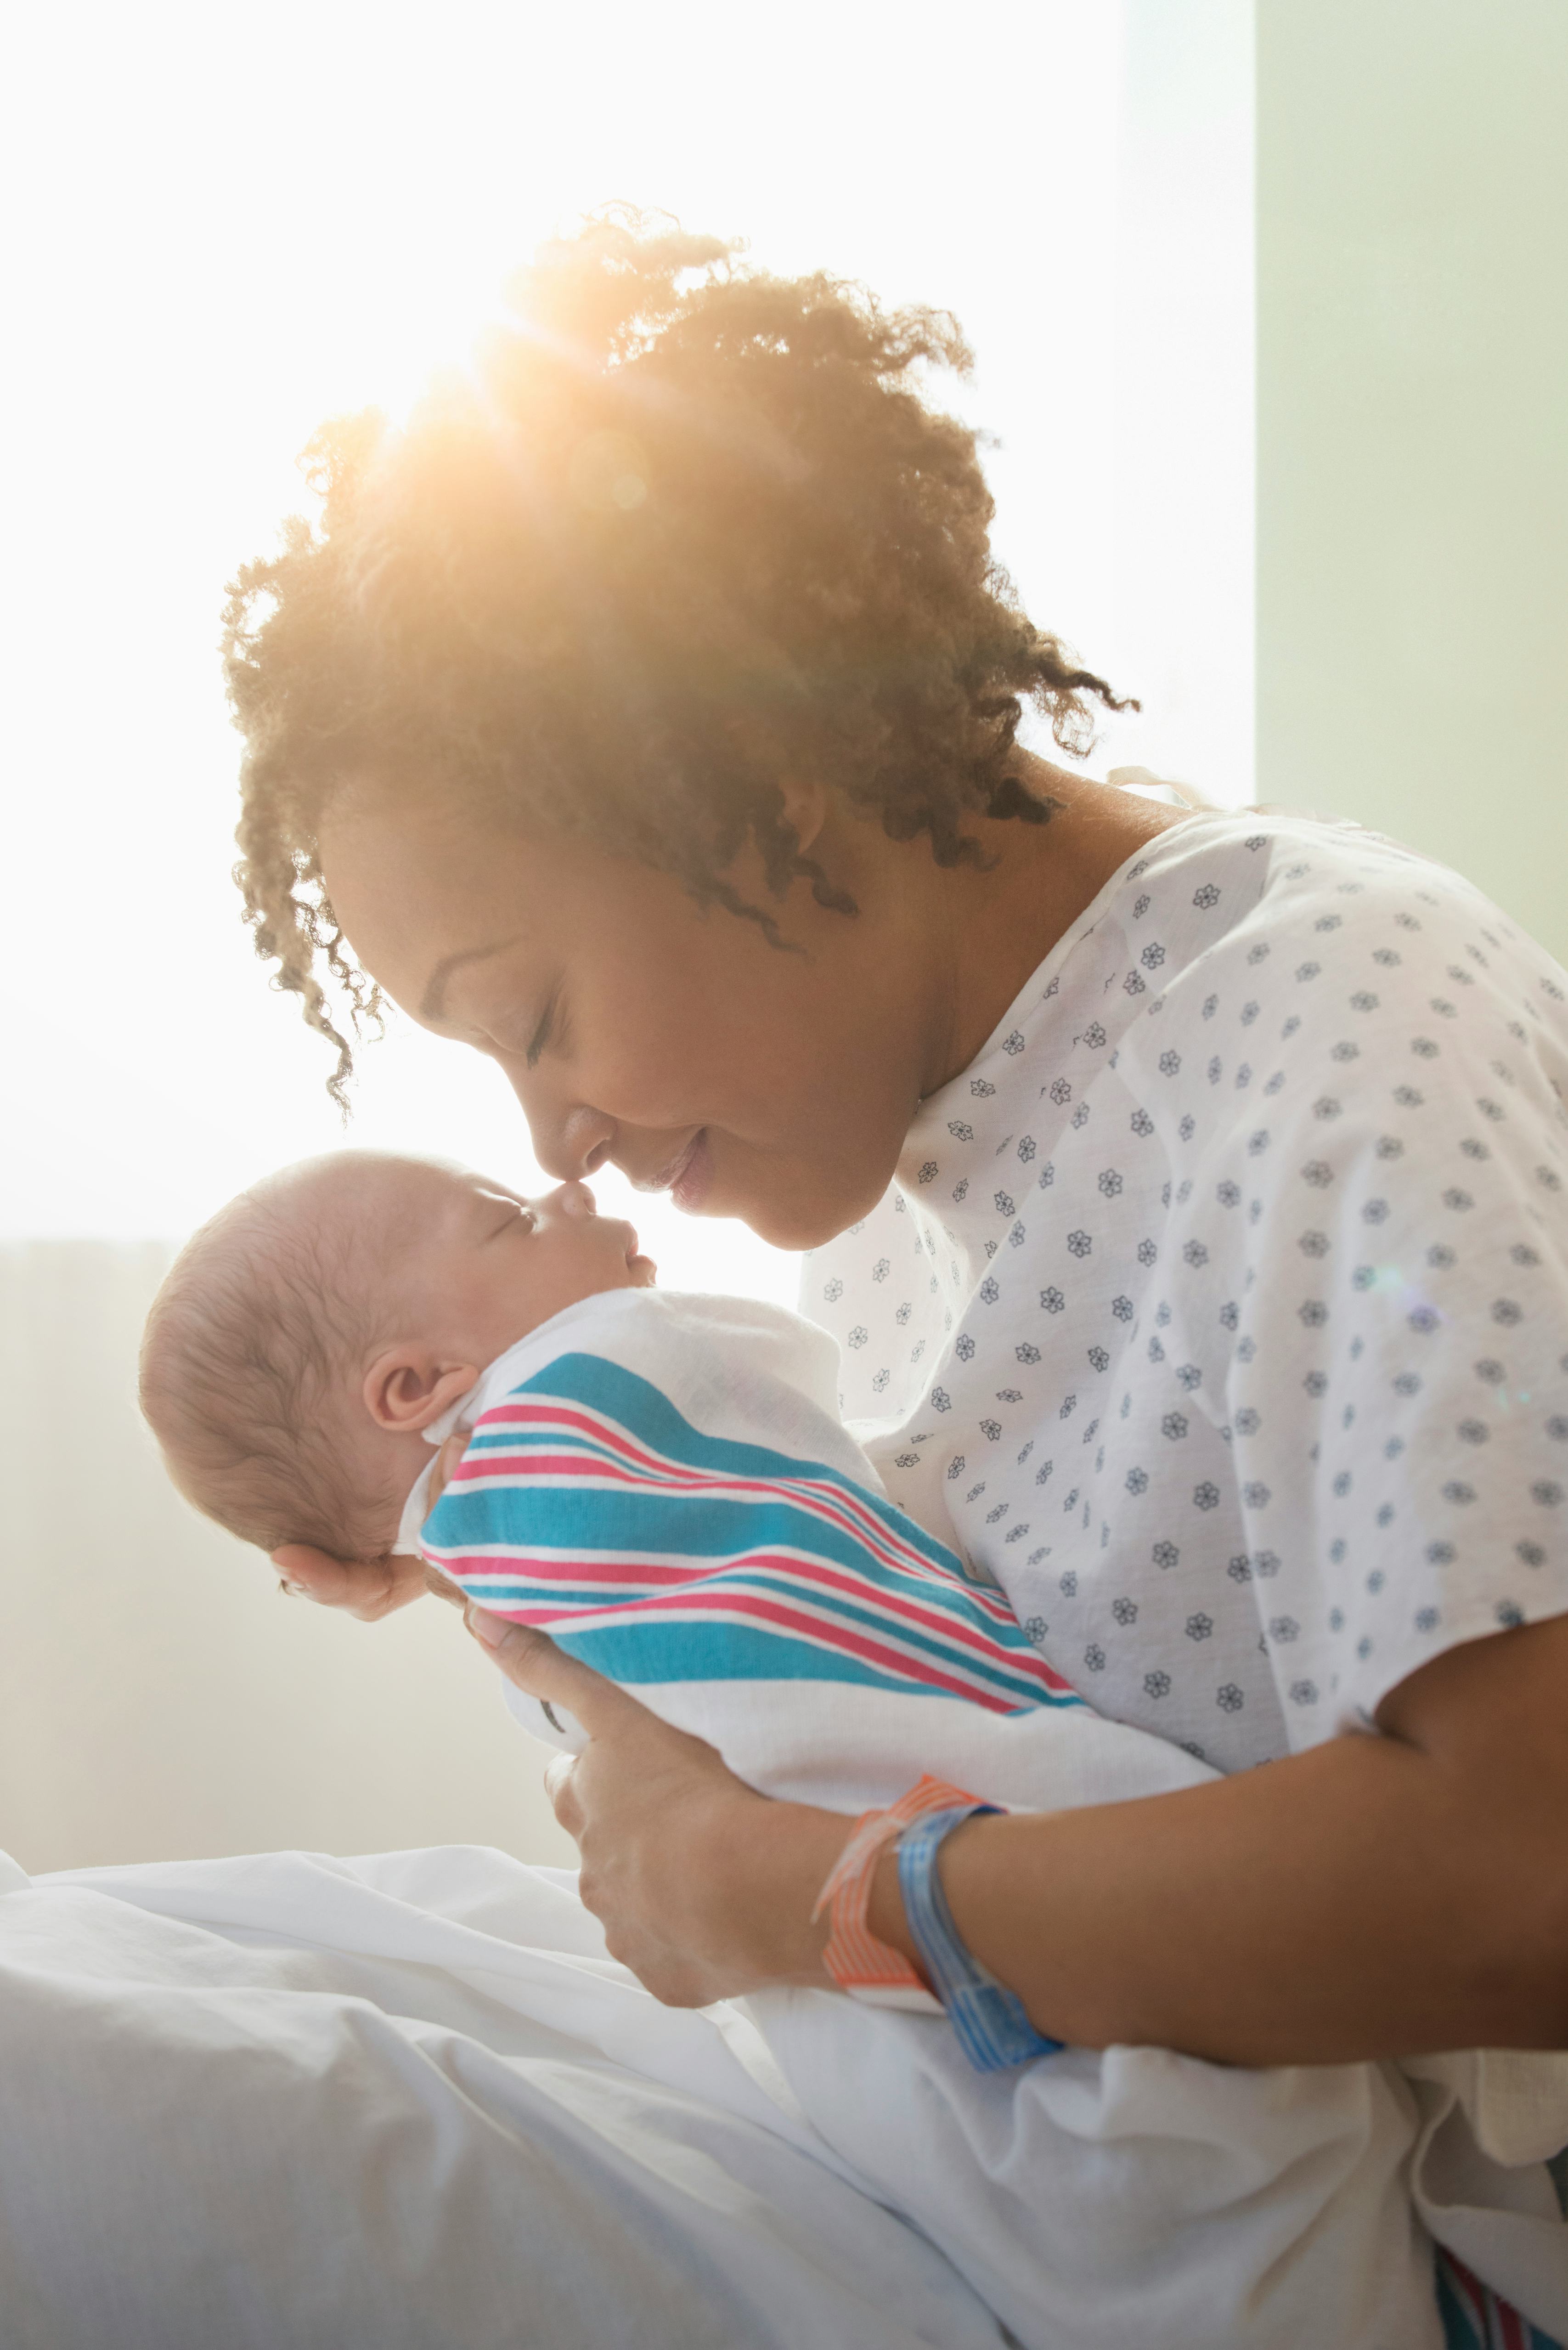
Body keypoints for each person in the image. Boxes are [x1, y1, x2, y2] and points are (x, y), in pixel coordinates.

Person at [219, 215, 1568, 2335]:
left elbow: (1527, 1872)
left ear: (760, 789)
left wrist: (794, 1895)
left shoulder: (1325, 1017)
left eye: (533, 1013)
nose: (551, 1134)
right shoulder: (894, 1182)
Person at [135, 1146, 1444, 2345]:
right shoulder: (578, 1407)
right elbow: (729, 1386)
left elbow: (723, 1509)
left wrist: (419, 1539)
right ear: (416, 1388)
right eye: (509, 1218)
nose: (571, 1186)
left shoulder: (517, 1525)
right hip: (999, 1860)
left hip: (916, 1927)